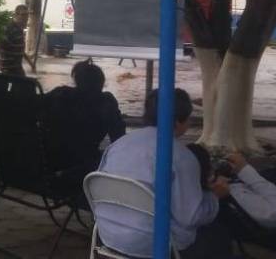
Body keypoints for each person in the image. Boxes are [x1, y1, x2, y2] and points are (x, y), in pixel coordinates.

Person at [96, 88, 230, 258]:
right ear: (178, 121)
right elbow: (192, 217)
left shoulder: (117, 146)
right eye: (189, 118)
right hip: (154, 244)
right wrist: (214, 197)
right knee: (219, 237)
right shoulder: (181, 156)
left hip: (108, 234)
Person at [42, 60, 126, 189]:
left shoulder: (60, 94)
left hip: (50, 161)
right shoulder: (105, 103)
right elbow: (119, 139)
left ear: (77, 81)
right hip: (83, 167)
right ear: (101, 83)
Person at [186, 145, 276, 233]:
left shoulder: (193, 196)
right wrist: (244, 169)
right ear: (208, 174)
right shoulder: (234, 194)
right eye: (210, 164)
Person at [0, 4, 29, 75]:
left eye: (27, 15)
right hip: (9, 68)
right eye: (23, 15)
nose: (26, 18)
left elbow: (20, 50)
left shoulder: (19, 30)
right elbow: (0, 46)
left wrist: (31, 64)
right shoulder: (9, 28)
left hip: (17, 67)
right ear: (16, 15)